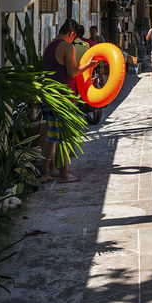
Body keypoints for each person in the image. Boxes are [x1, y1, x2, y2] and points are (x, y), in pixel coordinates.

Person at [39, 19, 94, 182]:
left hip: (49, 96)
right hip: (63, 99)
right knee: (64, 137)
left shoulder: (49, 47)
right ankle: (64, 174)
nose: (73, 40)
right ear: (71, 33)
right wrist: (88, 66)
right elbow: (72, 72)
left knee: (51, 136)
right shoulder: (67, 46)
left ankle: (47, 172)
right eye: (74, 37)